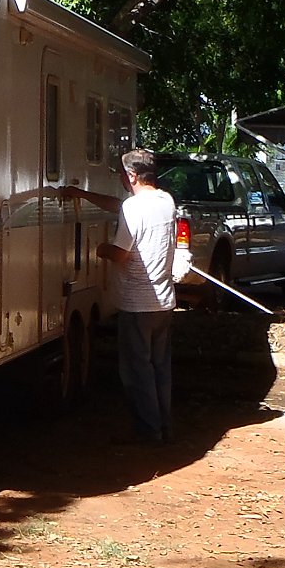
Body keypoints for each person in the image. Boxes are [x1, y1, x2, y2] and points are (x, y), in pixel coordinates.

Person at [64, 147, 178, 444]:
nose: (120, 179)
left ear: (131, 175)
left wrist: (100, 248)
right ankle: (164, 425)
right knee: (159, 367)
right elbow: (121, 205)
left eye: (121, 174)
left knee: (137, 370)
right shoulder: (166, 201)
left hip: (138, 302)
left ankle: (148, 431)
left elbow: (121, 254)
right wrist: (82, 194)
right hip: (164, 302)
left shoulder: (133, 208)